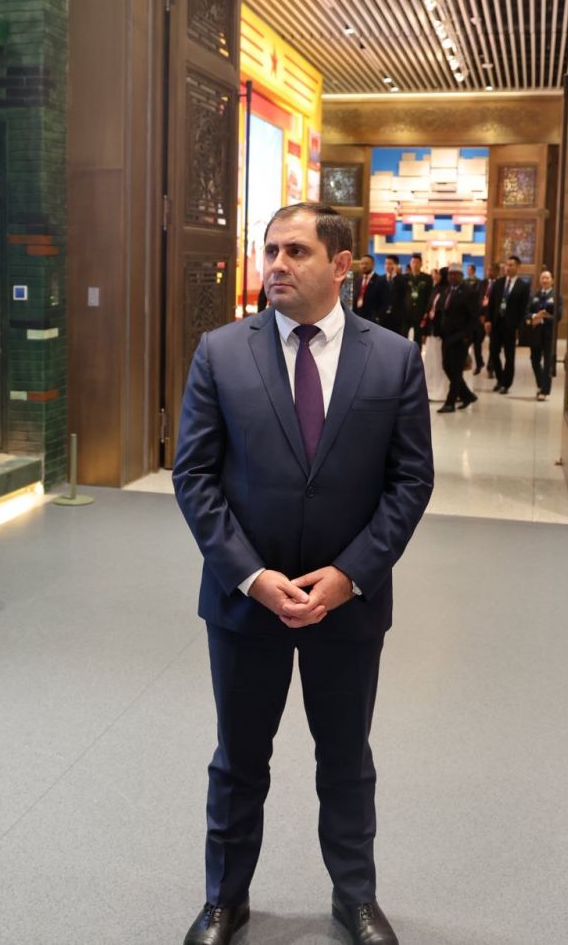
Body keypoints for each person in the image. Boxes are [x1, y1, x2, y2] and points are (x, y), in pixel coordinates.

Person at [172, 202, 434, 945]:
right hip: (245, 602)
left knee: (346, 760)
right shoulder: (222, 353)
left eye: (296, 251)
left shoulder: (393, 359)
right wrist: (250, 576)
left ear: (342, 264)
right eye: (270, 251)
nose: (277, 265)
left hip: (347, 605)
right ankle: (224, 899)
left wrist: (350, 574)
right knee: (238, 760)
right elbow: (194, 476)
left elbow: (411, 481)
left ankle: (355, 897)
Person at [432, 263, 481, 412]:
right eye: (450, 274)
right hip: (446, 336)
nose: (452, 277)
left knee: (456, 370)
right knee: (447, 367)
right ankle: (467, 395)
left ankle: (450, 402)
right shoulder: (447, 290)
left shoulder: (469, 292)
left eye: (455, 274)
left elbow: (473, 318)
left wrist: (466, 336)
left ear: (461, 275)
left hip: (460, 337)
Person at [487, 255, 531, 393]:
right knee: (494, 353)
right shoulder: (498, 283)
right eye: (507, 265)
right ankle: (500, 379)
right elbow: (491, 303)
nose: (508, 267)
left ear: (518, 267)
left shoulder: (523, 286)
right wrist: (488, 320)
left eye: (511, 265)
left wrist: (519, 327)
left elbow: (524, 308)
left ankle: (506, 384)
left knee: (509, 356)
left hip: (511, 326)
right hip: (497, 323)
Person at [524, 270, 559, 400]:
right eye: (542, 278)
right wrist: (534, 316)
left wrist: (543, 318)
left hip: (548, 334)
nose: (544, 280)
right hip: (535, 334)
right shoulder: (535, 295)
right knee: (534, 360)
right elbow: (527, 312)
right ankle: (540, 384)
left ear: (552, 281)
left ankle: (544, 391)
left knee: (548, 362)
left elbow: (558, 316)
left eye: (547, 278)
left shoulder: (556, 296)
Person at [404, 253, 433, 346]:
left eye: (417, 262)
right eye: (413, 262)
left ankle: (416, 354)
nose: (415, 265)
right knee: (403, 337)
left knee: (418, 339)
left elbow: (429, 296)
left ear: (421, 264)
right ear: (410, 264)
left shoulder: (427, 278)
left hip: (420, 313)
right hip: (406, 312)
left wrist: (426, 311)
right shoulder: (405, 278)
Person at [378, 254, 407, 335]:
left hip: (397, 316)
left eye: (390, 264)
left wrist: (394, 275)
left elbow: (403, 294)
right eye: (386, 263)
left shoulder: (402, 279)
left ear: (396, 265)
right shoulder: (380, 279)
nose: (387, 266)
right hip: (383, 316)